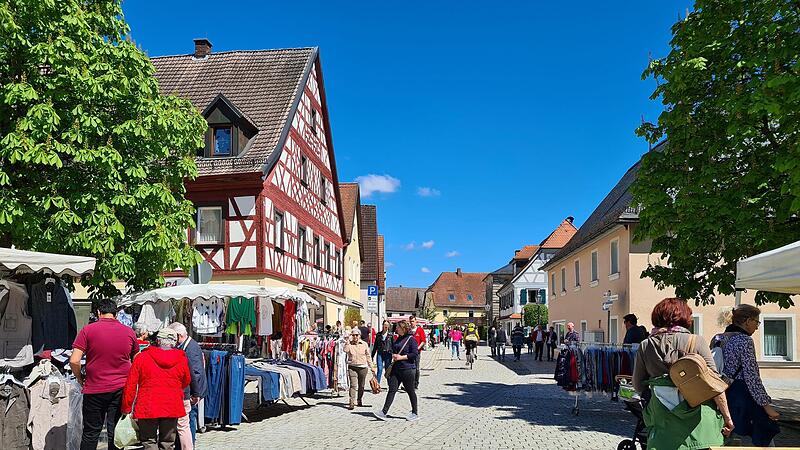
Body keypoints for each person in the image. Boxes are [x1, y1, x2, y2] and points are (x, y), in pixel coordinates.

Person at [632, 298, 733, 450]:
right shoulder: (695, 342)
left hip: (663, 422)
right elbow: (715, 385)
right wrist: (727, 418)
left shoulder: (646, 345)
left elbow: (638, 385)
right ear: (685, 317)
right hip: (699, 425)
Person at [70, 298, 138, 450]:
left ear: (98, 312)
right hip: (121, 388)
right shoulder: (129, 332)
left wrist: (80, 378)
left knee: (90, 433)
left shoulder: (87, 330)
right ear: (116, 314)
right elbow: (137, 360)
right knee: (115, 432)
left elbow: (74, 360)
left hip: (94, 388)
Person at [712, 305, 780, 446]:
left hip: (721, 393)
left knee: (726, 435)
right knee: (763, 435)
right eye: (757, 322)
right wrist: (766, 406)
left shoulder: (718, 338)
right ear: (747, 321)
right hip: (741, 394)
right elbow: (751, 376)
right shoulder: (745, 340)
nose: (757, 327)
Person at [122, 328, 191, 450]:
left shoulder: (142, 358)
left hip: (147, 405)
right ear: (174, 343)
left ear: (158, 341)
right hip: (171, 404)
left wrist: (126, 407)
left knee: (148, 441)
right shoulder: (181, 359)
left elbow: (131, 384)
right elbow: (186, 381)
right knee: (168, 443)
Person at [169, 323, 208, 449]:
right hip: (190, 391)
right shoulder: (186, 346)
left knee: (190, 419)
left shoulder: (191, 348)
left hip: (191, 393)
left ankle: (190, 445)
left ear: (179, 336)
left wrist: (193, 394)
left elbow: (196, 373)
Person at [374, 320, 419, 421]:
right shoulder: (398, 338)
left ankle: (415, 412)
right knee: (392, 390)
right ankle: (384, 412)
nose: (396, 329)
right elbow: (395, 349)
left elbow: (414, 354)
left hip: (408, 369)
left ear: (403, 328)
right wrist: (393, 355)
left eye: (398, 327)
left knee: (410, 391)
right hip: (396, 369)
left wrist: (401, 357)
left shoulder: (411, 339)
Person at [344, 328, 374, 409]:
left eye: (356, 335)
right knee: (353, 385)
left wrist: (372, 367)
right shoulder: (349, 344)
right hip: (352, 367)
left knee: (361, 385)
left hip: (363, 367)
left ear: (359, 336)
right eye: (353, 335)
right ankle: (351, 402)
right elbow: (345, 350)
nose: (355, 337)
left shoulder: (364, 344)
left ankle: (359, 399)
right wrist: (347, 342)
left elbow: (368, 356)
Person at [409, 315, 426, 389]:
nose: (412, 323)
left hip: (417, 352)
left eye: (413, 321)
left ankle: (416, 383)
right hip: (409, 352)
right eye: (410, 321)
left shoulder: (420, 330)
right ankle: (409, 383)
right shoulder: (408, 330)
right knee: (409, 368)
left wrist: (418, 348)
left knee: (416, 368)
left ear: (416, 321)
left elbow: (423, 341)